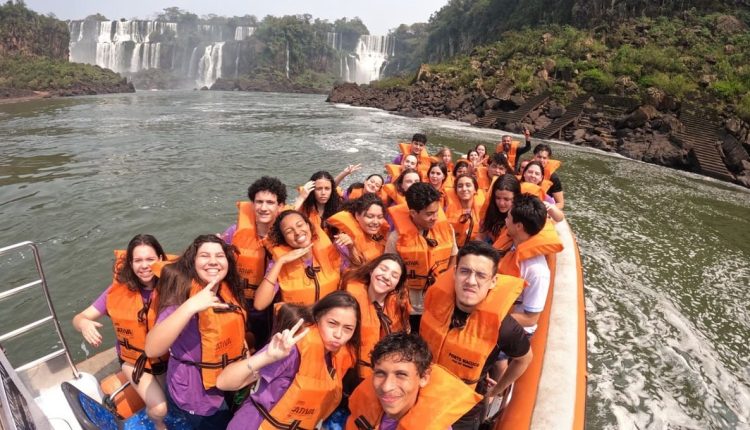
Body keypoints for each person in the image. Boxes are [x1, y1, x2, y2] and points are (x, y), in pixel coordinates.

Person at [420, 241, 532, 430]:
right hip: (424, 393)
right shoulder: (435, 302)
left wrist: (497, 390)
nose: (471, 281)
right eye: (465, 271)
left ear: (493, 281)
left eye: (481, 275)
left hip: (463, 411)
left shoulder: (503, 327)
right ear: (455, 272)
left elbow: (524, 359)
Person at [145, 235, 246, 429]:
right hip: (197, 391)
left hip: (228, 378)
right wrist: (191, 306)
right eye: (205, 256)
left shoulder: (227, 291)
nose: (213, 261)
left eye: (219, 255)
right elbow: (151, 349)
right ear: (193, 262)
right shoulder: (182, 298)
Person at [217, 291, 360, 430]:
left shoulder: (336, 358)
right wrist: (267, 357)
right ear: (318, 318)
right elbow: (224, 382)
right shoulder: (291, 349)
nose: (338, 334)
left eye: (348, 328)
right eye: (332, 323)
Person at [73, 234, 169, 429]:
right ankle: (158, 425)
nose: (144, 266)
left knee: (176, 400)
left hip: (167, 358)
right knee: (160, 408)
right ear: (130, 264)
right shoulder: (118, 291)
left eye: (150, 259)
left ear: (160, 259)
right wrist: (84, 324)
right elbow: (80, 317)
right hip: (135, 362)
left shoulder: (173, 285)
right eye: (138, 260)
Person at [346, 333, 482, 430]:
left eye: (401, 374)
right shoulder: (366, 408)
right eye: (380, 373)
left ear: (424, 378)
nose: (387, 387)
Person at [222, 176, 287, 348]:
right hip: (241, 299)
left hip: (273, 302)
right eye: (259, 202)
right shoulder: (233, 233)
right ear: (252, 204)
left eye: (270, 202)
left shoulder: (287, 237)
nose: (263, 208)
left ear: (280, 206)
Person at [385, 183, 457, 332]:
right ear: (413, 213)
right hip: (412, 307)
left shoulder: (447, 229)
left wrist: (445, 285)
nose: (435, 218)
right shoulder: (396, 239)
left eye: (436, 212)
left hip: (440, 302)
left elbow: (453, 256)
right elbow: (389, 270)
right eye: (429, 214)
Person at [499, 194, 563, 335]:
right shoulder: (510, 245)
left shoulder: (537, 271)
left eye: (508, 217)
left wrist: (490, 317)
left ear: (519, 226)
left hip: (514, 330)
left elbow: (530, 319)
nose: (505, 220)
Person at [254, 209, 342, 309]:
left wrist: (352, 248)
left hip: (328, 319)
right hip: (299, 322)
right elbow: (259, 305)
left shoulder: (331, 252)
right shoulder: (279, 263)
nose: (297, 232)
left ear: (308, 226)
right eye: (289, 231)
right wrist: (280, 262)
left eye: (300, 225)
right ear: (284, 238)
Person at [341, 254, 410, 378]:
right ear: (372, 270)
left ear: (397, 284)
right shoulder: (349, 300)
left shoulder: (398, 306)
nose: (386, 277)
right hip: (350, 371)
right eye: (383, 269)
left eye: (394, 276)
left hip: (383, 373)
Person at [327, 194, 390, 268]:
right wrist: (351, 248)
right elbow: (350, 272)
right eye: (370, 216)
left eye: (380, 217)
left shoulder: (381, 233)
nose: (376, 222)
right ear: (357, 216)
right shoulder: (344, 241)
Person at [480, 174, 521, 250]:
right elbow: (480, 236)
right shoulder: (490, 210)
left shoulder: (520, 218)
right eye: (498, 198)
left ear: (516, 198)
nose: (501, 203)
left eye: (506, 199)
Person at [445, 175, 485, 248]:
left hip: (476, 250)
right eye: (460, 186)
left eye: (468, 185)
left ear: (475, 190)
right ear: (456, 191)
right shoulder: (445, 210)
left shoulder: (484, 211)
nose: (464, 189)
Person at [532, 143, 564, 209]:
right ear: (534, 156)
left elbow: (560, 203)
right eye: (539, 157)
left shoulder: (553, 178)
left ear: (548, 159)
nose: (541, 160)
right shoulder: (525, 169)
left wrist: (546, 208)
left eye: (544, 158)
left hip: (544, 208)